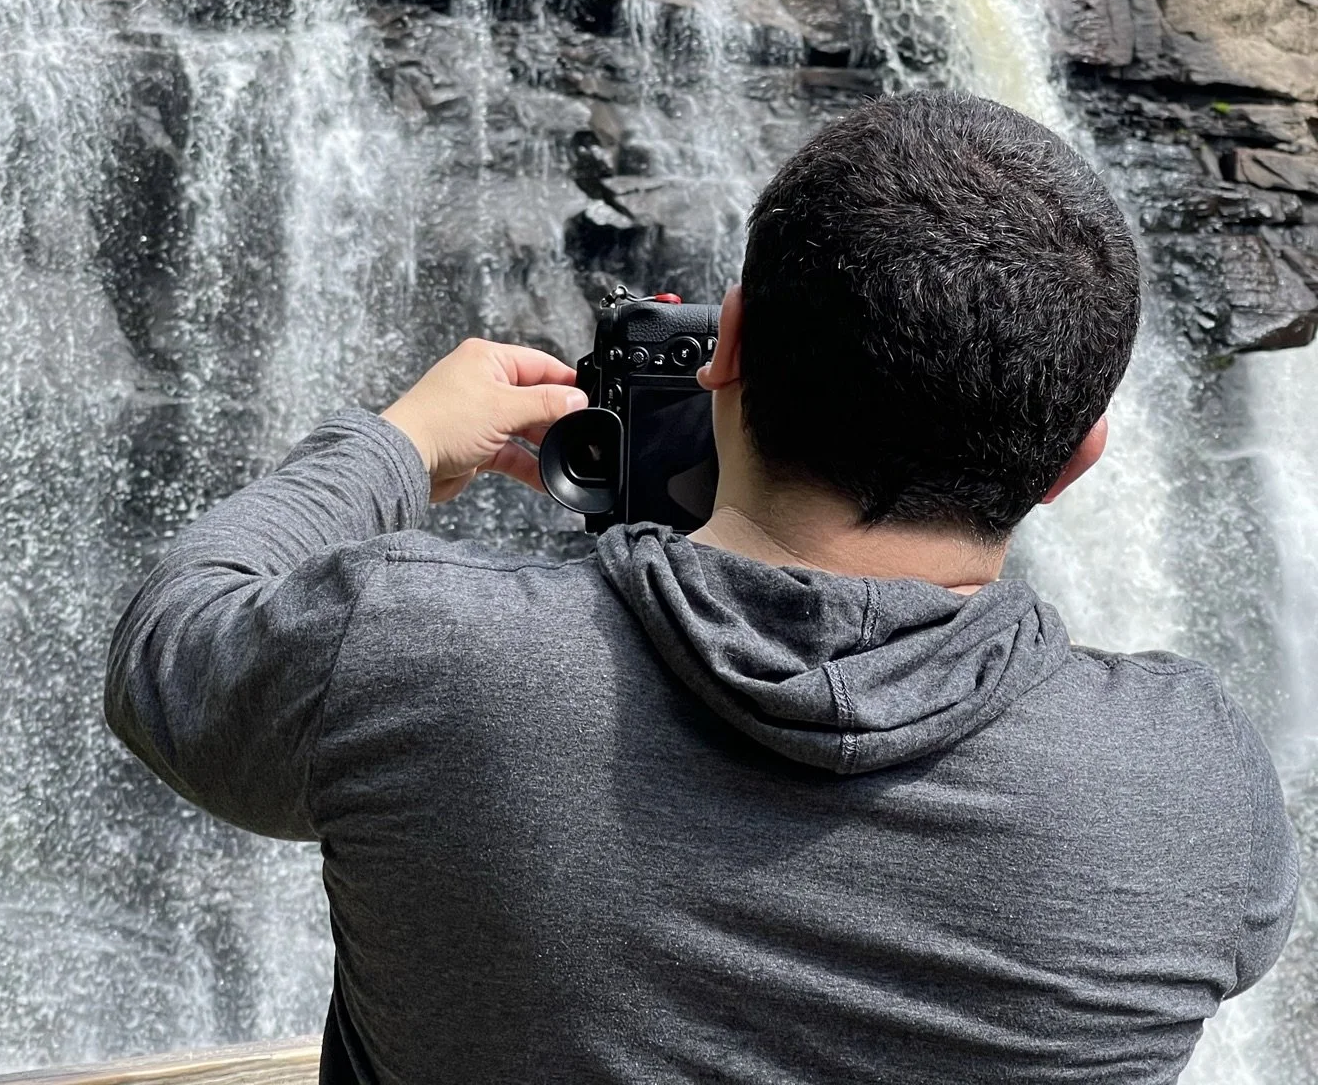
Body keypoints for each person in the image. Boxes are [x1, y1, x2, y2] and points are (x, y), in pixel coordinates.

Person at [106, 90, 1299, 1084]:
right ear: (1075, 457)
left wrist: (398, 444)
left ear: (725, 344)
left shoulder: (418, 654)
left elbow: (170, 638)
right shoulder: (1197, 781)